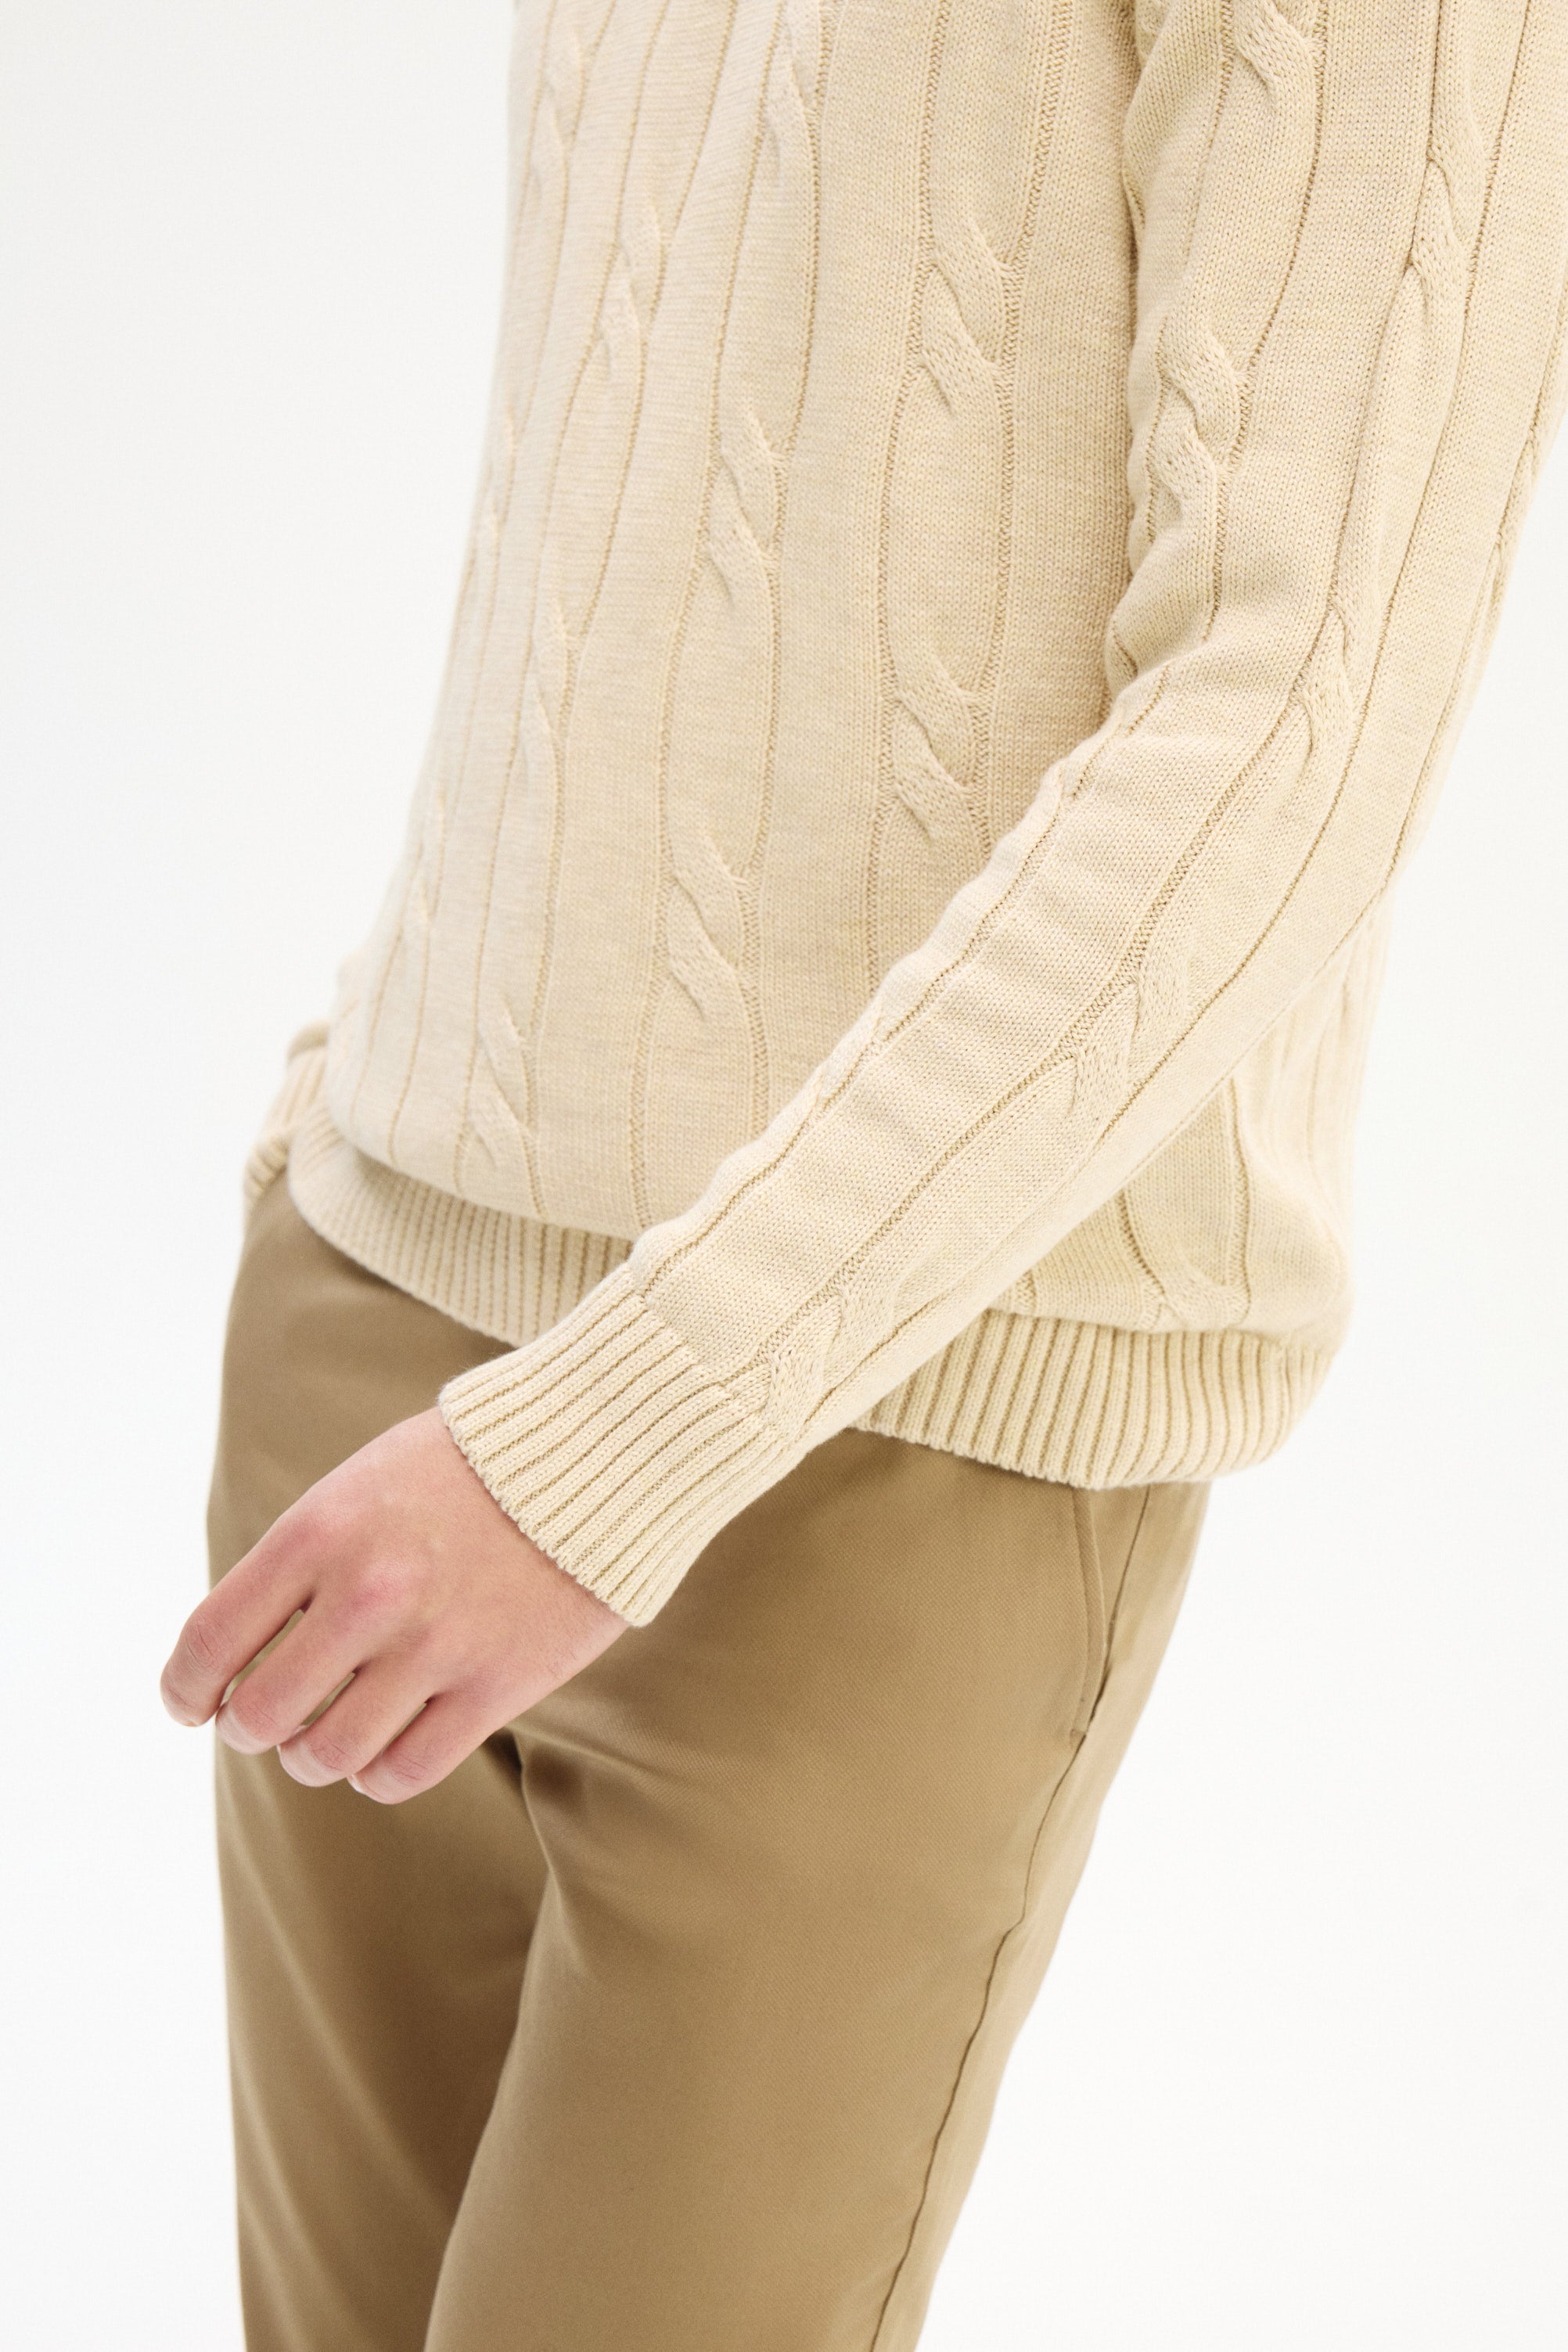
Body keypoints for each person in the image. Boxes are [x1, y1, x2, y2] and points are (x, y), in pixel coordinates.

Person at [160, 3, 1568, 2347]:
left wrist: (618, 1438)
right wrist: (334, 1131)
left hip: (895, 1439)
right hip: (376, 1337)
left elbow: (1292, 724)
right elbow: (622, 459)